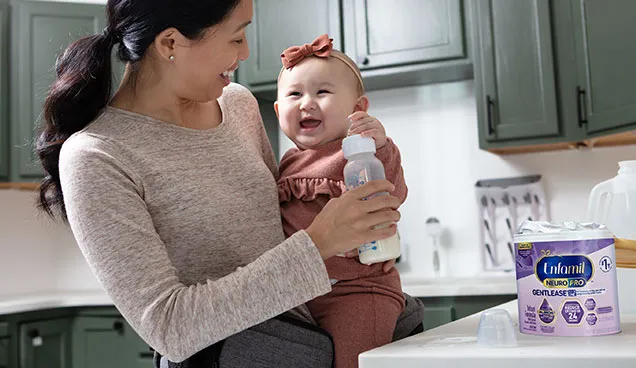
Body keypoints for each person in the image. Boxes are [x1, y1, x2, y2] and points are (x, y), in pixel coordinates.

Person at [34, 0, 406, 365]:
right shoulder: (96, 155)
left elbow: (280, 222)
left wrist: (355, 250)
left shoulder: (237, 104)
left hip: (306, 348)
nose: (245, 52)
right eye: (236, 36)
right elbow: (169, 327)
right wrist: (320, 242)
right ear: (170, 44)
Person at [275, 34, 408, 367]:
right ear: (278, 110)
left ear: (358, 109)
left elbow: (391, 190)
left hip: (359, 291)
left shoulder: (362, 157)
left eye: (322, 92)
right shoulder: (287, 163)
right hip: (301, 293)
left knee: (355, 361)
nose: (306, 103)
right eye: (294, 94)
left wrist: (379, 145)